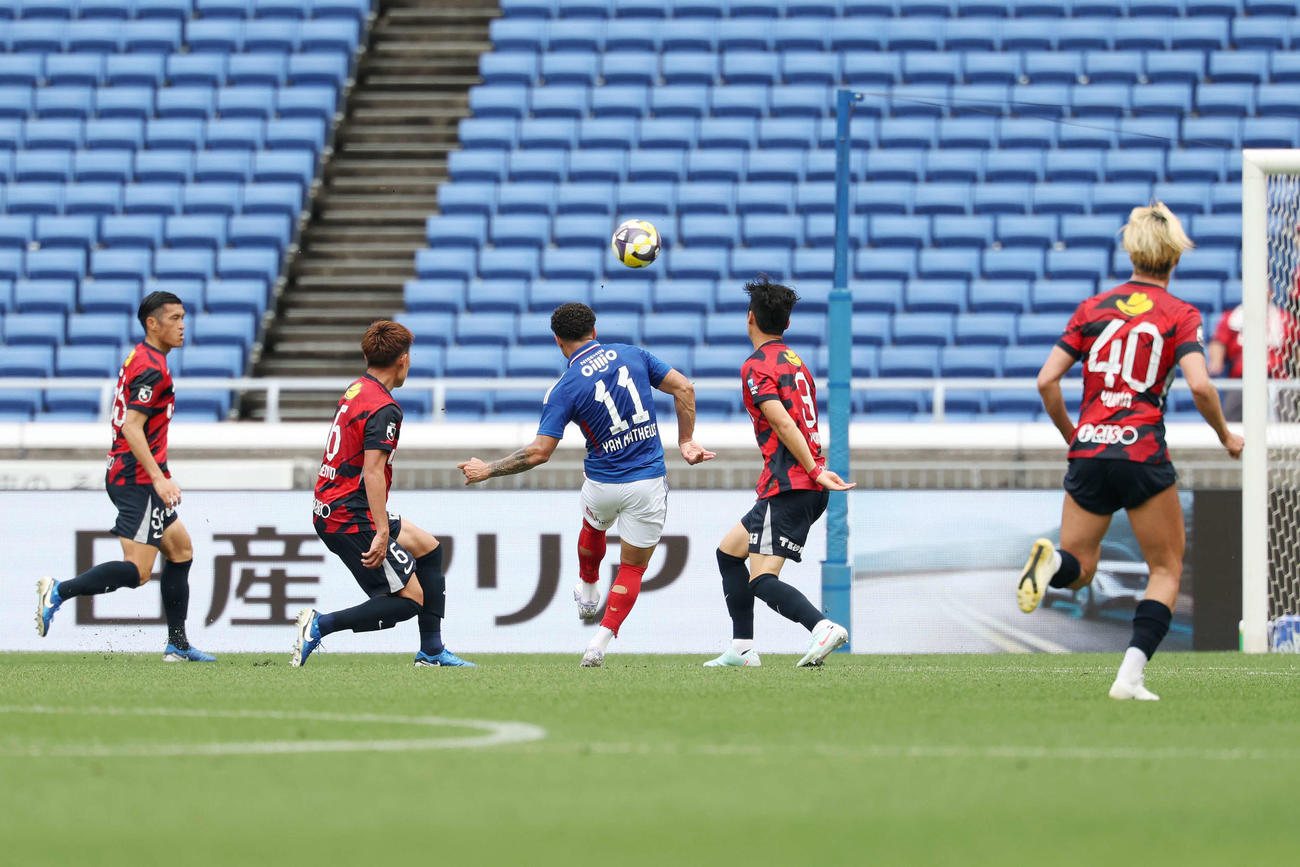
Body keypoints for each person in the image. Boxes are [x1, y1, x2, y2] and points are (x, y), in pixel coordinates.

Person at [1020, 202, 1243, 700]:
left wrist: (1073, 436)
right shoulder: (1180, 314)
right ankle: (1129, 678)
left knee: (1080, 568)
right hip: (1140, 450)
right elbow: (1203, 387)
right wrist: (1227, 436)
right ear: (1175, 257)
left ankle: (1051, 562)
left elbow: (1046, 380)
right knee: (1165, 569)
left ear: (1131, 250)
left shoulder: (1093, 309)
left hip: (1090, 449)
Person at [458, 302, 713, 667]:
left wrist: (489, 469)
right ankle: (600, 641)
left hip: (603, 483)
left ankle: (589, 586)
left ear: (559, 342)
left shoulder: (564, 387)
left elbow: (538, 453)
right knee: (633, 568)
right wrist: (686, 440)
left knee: (593, 524)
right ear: (593, 331)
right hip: (647, 482)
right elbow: (684, 387)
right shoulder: (631, 354)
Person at [35, 291, 215, 662]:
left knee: (181, 550)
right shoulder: (151, 367)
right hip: (136, 477)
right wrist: (159, 478)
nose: (183, 326)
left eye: (184, 318)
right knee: (139, 571)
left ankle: (177, 645)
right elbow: (133, 428)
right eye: (175, 318)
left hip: (133, 472)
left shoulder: (142, 356)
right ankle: (58, 590)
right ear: (153, 323)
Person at [292, 320, 473, 667]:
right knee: (410, 601)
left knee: (429, 549)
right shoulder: (384, 407)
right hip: (349, 512)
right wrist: (381, 530)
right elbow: (372, 472)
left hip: (335, 502)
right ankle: (319, 625)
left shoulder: (357, 389)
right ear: (403, 359)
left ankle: (432, 651)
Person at [704, 277, 855, 669]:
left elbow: (784, 423)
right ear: (786, 324)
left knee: (761, 580)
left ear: (750, 318)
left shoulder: (757, 366)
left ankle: (821, 627)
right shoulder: (794, 361)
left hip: (792, 483)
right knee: (728, 553)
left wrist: (813, 469)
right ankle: (741, 648)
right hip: (796, 482)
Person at [1207, 301, 1299, 422]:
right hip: (1243, 379)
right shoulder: (1233, 317)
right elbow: (1218, 341)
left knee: (1290, 410)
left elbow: (1296, 346)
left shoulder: (1284, 318)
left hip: (1278, 379)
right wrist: (1215, 362)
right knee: (1230, 416)